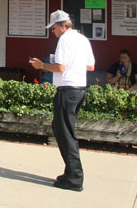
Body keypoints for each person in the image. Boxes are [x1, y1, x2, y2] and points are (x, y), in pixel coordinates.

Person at [29, 10, 95, 192]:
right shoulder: (83, 39)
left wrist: (41, 65)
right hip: (79, 88)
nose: (53, 31)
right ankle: (70, 172)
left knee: (65, 134)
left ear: (63, 26)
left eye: (54, 27)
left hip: (67, 90)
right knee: (63, 131)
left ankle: (74, 178)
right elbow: (90, 66)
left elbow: (60, 67)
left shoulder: (64, 40)